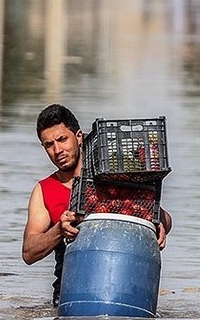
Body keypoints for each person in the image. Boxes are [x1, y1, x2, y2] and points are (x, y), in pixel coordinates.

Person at [22, 103, 172, 306]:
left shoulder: (112, 178)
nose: (57, 150)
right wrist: (59, 230)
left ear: (79, 137)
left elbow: (162, 216)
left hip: (127, 290)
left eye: (62, 139)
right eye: (49, 145)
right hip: (71, 298)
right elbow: (29, 252)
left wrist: (159, 222)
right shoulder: (45, 190)